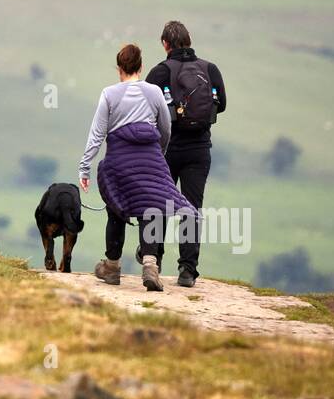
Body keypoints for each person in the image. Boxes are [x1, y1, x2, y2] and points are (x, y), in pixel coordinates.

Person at [78, 43, 194, 292]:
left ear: (119, 68)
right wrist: (157, 155)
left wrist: (84, 168)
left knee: (116, 209)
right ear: (141, 66)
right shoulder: (154, 93)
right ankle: (150, 266)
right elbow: (166, 128)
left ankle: (111, 267)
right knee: (150, 209)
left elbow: (97, 135)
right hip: (150, 157)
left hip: (118, 161)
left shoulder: (109, 94)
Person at [144, 20, 226, 288]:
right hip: (199, 150)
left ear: (165, 44)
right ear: (189, 42)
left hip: (165, 150)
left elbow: (145, 110)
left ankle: (152, 261)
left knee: (158, 205)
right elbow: (220, 105)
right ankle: (188, 270)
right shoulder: (209, 69)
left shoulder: (159, 73)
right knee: (191, 208)